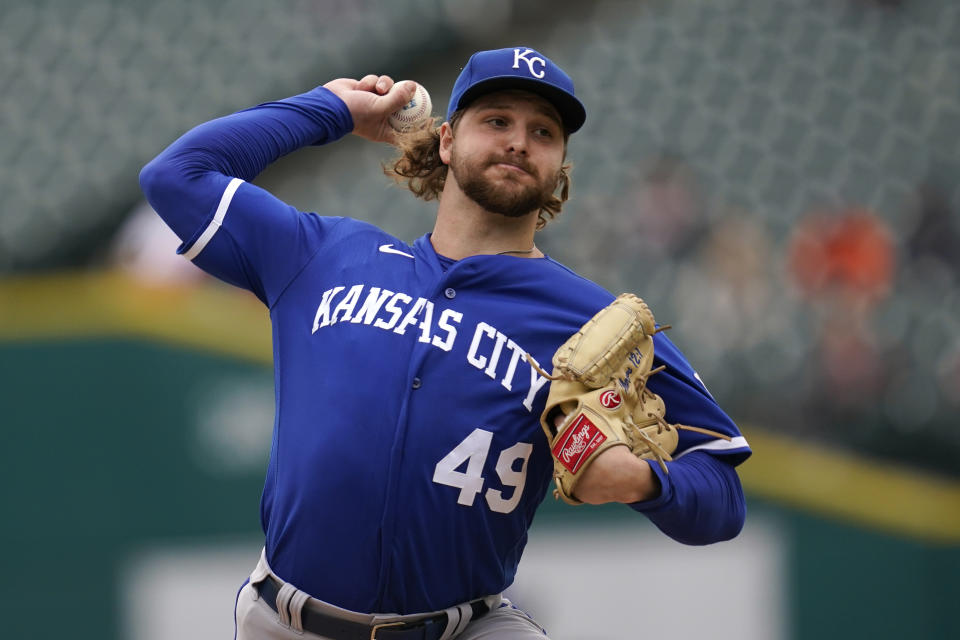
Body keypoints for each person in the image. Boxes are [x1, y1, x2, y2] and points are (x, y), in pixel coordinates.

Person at [140, 46, 751, 640]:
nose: (518, 140)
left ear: (560, 165)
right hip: (285, 623)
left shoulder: (592, 321)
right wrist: (333, 109)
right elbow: (175, 176)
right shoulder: (325, 256)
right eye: (496, 121)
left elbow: (722, 490)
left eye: (544, 132)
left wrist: (642, 482)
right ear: (447, 140)